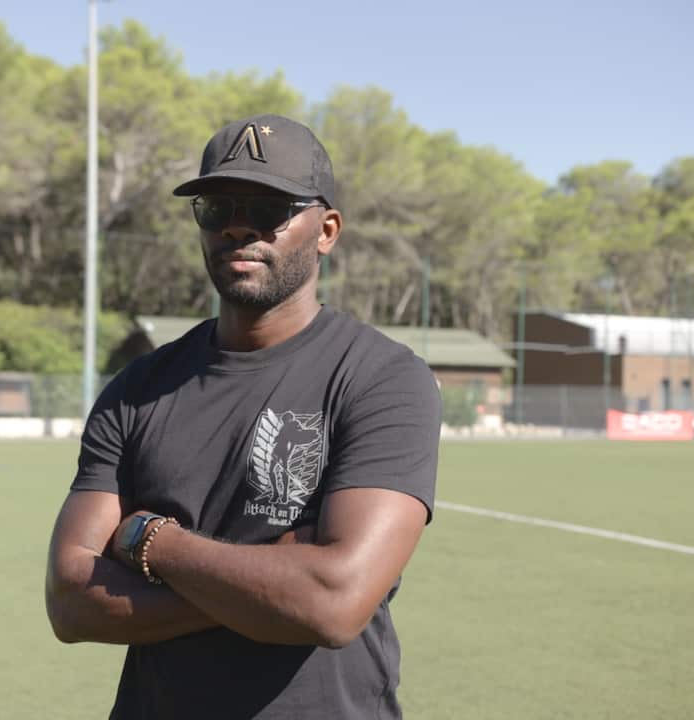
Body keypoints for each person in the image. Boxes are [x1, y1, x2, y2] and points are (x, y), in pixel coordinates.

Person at [45, 113, 441, 719]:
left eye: (267, 209)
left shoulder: (382, 378)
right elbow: (72, 602)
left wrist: (151, 541)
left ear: (326, 230)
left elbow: (332, 604)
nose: (236, 226)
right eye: (216, 208)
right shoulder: (136, 390)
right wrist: (272, 584)